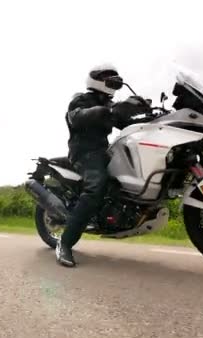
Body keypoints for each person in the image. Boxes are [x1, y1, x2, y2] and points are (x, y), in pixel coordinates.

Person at [57, 64, 151, 267]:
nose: (113, 80)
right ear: (97, 79)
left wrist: (146, 113)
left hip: (105, 152)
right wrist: (112, 109)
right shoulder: (81, 99)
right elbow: (77, 118)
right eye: (109, 76)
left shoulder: (110, 105)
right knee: (95, 188)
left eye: (115, 76)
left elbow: (125, 123)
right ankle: (64, 244)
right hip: (85, 153)